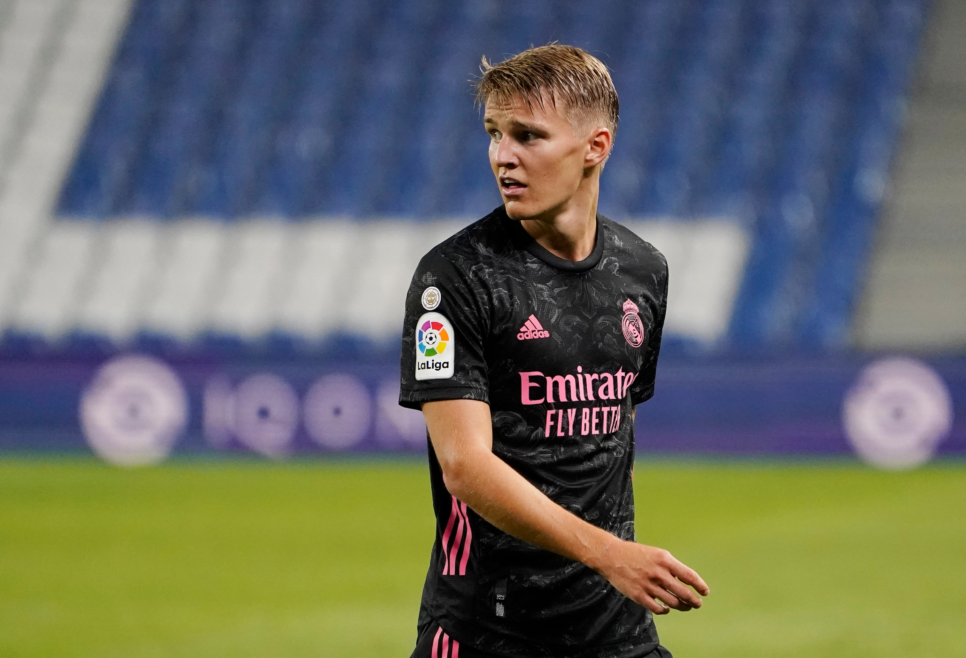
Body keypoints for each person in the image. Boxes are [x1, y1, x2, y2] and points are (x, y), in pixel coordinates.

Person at [399, 44, 709, 658]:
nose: (503, 156)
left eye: (528, 135)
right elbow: (464, 466)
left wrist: (613, 561)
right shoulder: (456, 277)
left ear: (595, 147)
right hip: (488, 632)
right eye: (494, 134)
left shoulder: (643, 270)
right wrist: (610, 554)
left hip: (614, 630)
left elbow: (616, 436)